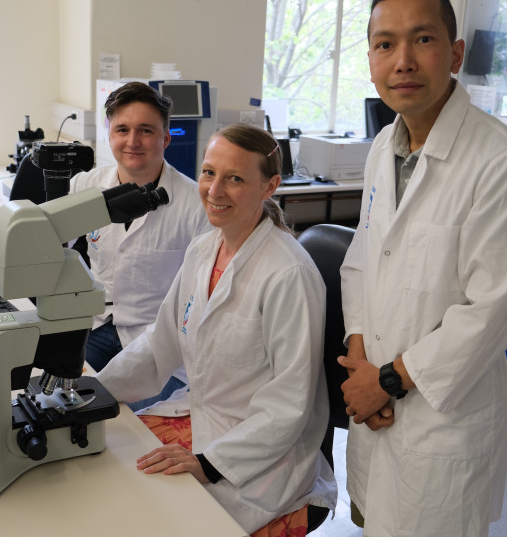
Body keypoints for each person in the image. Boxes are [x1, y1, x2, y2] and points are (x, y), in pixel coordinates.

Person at [337, 0, 507, 536]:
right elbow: (360, 262)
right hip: (376, 408)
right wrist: (359, 365)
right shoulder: (382, 148)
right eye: (384, 44)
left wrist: (387, 383)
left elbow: (494, 310)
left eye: (422, 39)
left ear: (455, 53)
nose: (402, 61)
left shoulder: (502, 161)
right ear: (370, 58)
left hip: (443, 423)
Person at [96, 123, 337, 535]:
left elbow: (289, 405)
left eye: (236, 179)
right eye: (209, 173)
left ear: (270, 186)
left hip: (260, 458)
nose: (214, 190)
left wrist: (210, 464)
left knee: (150, 514)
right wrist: (96, 392)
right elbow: (161, 342)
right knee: (112, 471)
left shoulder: (288, 274)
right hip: (204, 416)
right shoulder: (205, 247)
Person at [70, 81, 210, 410]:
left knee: (131, 425)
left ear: (165, 138)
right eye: (122, 129)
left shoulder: (194, 204)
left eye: (145, 130)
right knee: (70, 408)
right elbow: (52, 249)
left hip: (158, 338)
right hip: (97, 326)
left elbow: (201, 295)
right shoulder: (84, 186)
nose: (132, 141)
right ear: (109, 134)